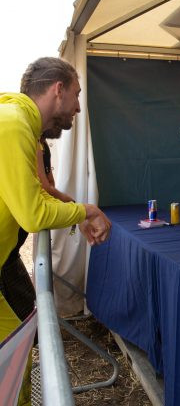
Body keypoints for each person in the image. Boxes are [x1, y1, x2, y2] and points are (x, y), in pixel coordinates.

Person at [0, 57, 111, 405]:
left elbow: (35, 194)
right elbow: (33, 213)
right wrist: (87, 209)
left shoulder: (19, 124)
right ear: (58, 90)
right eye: (76, 95)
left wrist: (76, 214)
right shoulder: (13, 124)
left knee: (17, 353)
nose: (78, 107)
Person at [0, 129, 74, 324]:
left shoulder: (39, 142)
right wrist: (75, 208)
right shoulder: (30, 141)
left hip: (11, 252)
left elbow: (46, 185)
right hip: (8, 253)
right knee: (25, 317)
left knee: (27, 314)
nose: (76, 109)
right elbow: (44, 187)